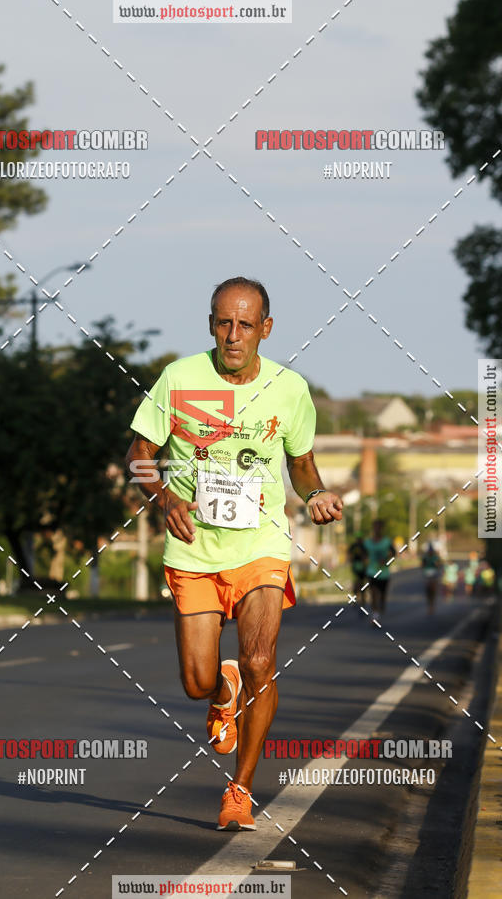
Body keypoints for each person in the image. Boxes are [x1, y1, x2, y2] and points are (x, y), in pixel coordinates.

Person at [126, 276, 343, 831]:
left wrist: (316, 495)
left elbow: (301, 464)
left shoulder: (290, 388)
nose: (233, 334)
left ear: (265, 329)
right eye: (224, 322)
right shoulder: (179, 378)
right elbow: (140, 454)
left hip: (260, 546)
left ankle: (240, 790)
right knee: (196, 683)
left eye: (245, 324)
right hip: (194, 550)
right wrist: (166, 497)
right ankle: (222, 690)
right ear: (210, 325)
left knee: (261, 661)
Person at [363, 519, 396, 619]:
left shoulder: (387, 542)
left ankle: (381, 606)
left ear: (382, 529)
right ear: (373, 529)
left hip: (384, 572)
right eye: (375, 527)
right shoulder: (367, 542)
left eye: (379, 527)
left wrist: (386, 561)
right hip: (371, 571)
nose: (377, 529)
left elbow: (393, 554)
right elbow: (363, 554)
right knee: (373, 592)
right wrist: (364, 562)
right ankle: (375, 613)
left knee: (382, 594)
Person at [348, 533, 368, 609]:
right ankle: (357, 598)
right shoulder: (354, 546)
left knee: (361, 583)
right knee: (357, 583)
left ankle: (362, 599)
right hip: (356, 567)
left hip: (362, 567)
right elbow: (349, 555)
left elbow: (367, 556)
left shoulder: (364, 546)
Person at [421, 542, 441, 614]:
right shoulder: (425, 557)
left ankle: (432, 605)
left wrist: (436, 564)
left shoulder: (435, 557)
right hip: (427, 574)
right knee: (428, 590)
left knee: (433, 589)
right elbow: (422, 565)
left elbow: (438, 565)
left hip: (434, 574)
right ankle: (429, 605)